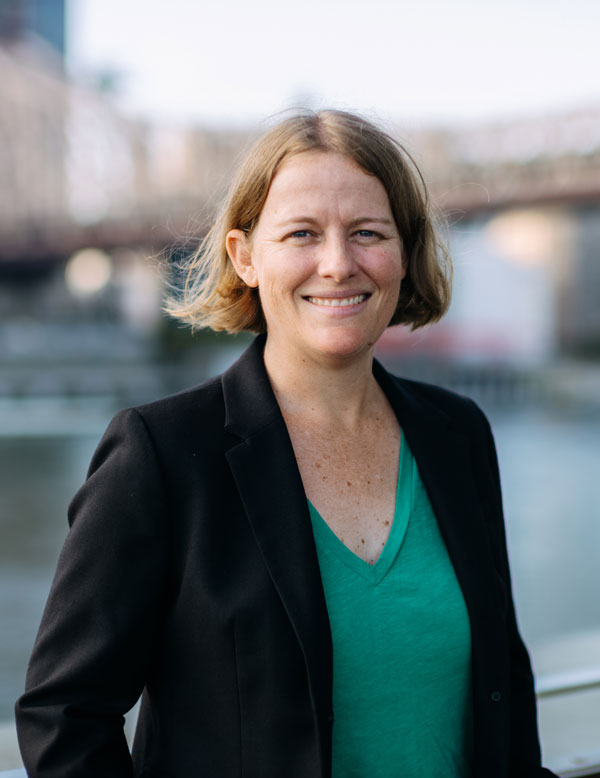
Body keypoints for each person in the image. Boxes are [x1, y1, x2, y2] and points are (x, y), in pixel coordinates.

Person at [16, 110, 557, 778]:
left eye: (368, 233)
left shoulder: (459, 435)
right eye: (302, 233)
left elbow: (505, 680)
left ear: (403, 252)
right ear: (245, 257)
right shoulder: (159, 453)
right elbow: (63, 718)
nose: (337, 264)